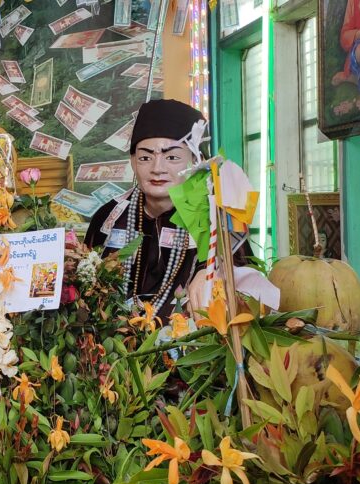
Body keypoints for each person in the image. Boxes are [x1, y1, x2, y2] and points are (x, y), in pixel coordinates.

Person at [84, 99, 248, 321]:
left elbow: (242, 279)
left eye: (172, 157)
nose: (157, 168)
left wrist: (211, 272)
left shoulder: (218, 216)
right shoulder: (110, 217)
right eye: (145, 157)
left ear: (195, 159)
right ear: (132, 162)